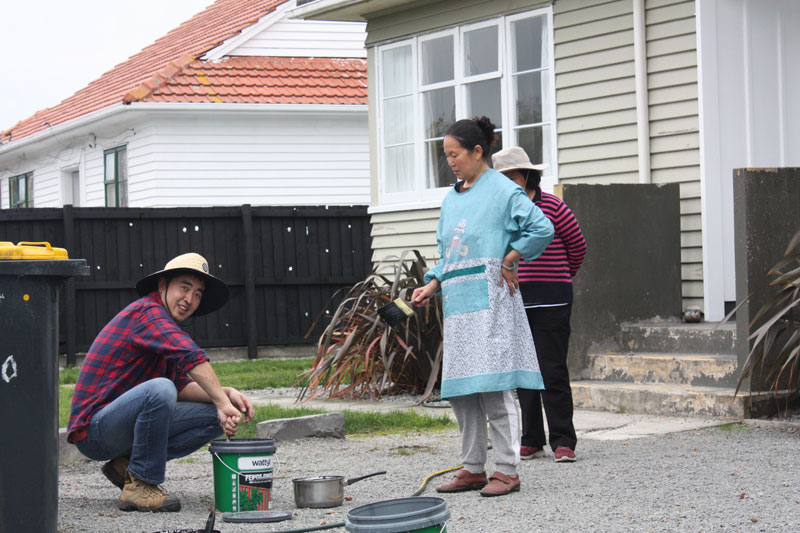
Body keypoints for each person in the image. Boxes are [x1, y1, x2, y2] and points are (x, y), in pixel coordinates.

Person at [411, 117, 554, 497]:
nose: (450, 162)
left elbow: (541, 228)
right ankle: (473, 467)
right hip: (458, 305)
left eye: (455, 154)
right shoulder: (453, 197)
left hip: (490, 301)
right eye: (446, 156)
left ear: (478, 151)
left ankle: (507, 469)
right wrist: (433, 283)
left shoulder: (503, 191)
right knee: (462, 392)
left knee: (494, 387)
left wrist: (510, 259)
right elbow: (450, 253)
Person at [67, 252, 255, 512]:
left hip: (119, 426)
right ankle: (141, 485)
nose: (190, 299)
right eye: (184, 288)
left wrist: (226, 395)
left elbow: (181, 387)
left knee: (214, 415)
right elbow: (190, 356)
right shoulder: (148, 313)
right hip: (95, 431)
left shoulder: (165, 325)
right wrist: (222, 400)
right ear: (163, 286)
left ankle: (127, 467)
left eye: (198, 293)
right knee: (160, 388)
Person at [492, 146, 587, 463]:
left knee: (552, 370)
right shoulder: (501, 212)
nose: (509, 183)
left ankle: (563, 440)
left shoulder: (554, 207)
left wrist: (559, 277)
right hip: (515, 299)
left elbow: (578, 248)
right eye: (502, 178)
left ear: (528, 175)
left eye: (513, 176)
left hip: (553, 299)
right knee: (523, 373)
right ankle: (531, 438)